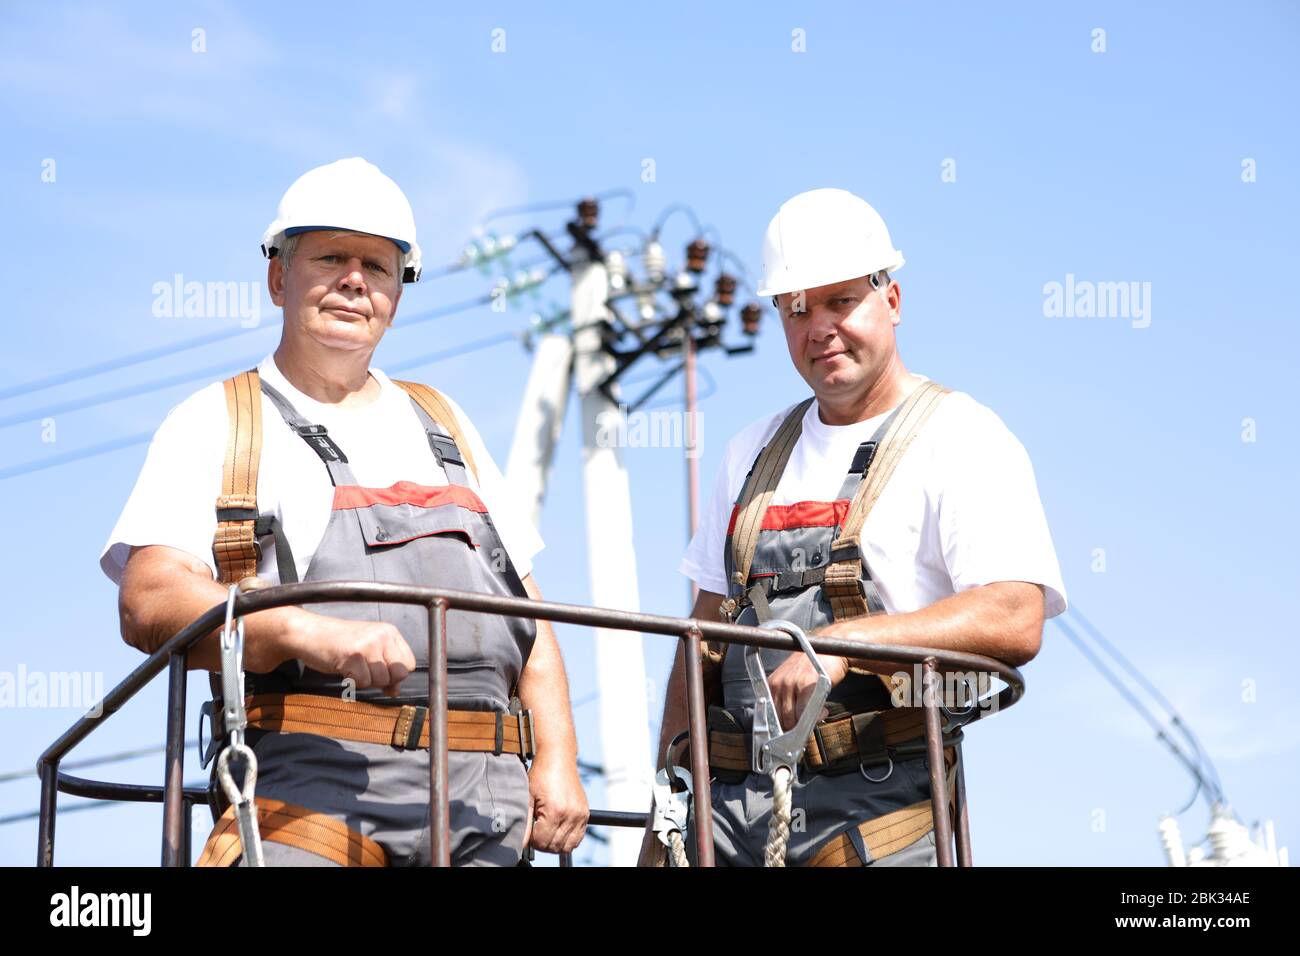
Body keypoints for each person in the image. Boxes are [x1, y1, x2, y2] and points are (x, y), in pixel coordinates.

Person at [102, 157, 587, 866]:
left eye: (378, 266)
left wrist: (559, 758)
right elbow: (148, 600)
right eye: (330, 257)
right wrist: (305, 630)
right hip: (313, 795)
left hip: (487, 805)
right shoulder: (218, 421)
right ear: (277, 277)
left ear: (398, 292)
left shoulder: (444, 424)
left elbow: (526, 610)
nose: (355, 280)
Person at [640, 188, 1066, 867]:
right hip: (728, 822)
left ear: (890, 301)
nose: (819, 328)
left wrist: (843, 643)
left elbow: (1015, 618)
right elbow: (702, 647)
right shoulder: (752, 451)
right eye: (797, 309)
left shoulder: (960, 437)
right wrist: (667, 812)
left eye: (841, 301)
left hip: (882, 820)